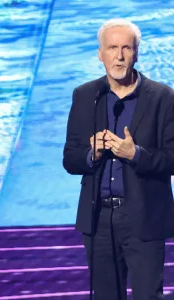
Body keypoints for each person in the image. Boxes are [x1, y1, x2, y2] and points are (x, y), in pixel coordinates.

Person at [63, 18, 174, 299]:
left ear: (136, 53)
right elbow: (70, 158)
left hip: (144, 218)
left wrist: (135, 154)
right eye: (112, 48)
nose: (119, 56)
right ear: (100, 54)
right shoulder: (86, 95)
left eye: (126, 48)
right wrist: (93, 154)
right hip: (98, 218)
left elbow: (172, 159)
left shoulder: (163, 97)